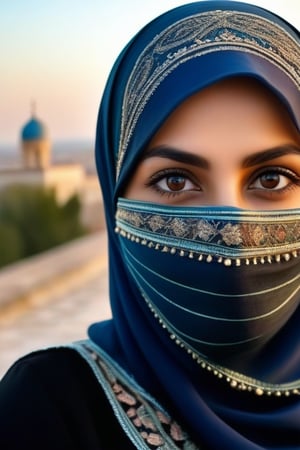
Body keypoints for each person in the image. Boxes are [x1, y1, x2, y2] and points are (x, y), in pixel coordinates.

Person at [0, 1, 299, 448]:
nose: (233, 229)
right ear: (116, 200)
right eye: (176, 180)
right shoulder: (48, 408)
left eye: (271, 178)